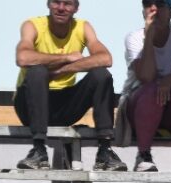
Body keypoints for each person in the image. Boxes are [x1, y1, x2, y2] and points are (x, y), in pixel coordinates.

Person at [12, 0, 126, 171]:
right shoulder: (32, 25)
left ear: (76, 8)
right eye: (56, 2)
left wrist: (60, 71)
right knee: (38, 72)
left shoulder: (82, 27)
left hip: (64, 107)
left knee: (101, 75)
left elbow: (105, 59)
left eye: (67, 4)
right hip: (29, 106)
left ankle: (105, 151)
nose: (61, 8)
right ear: (48, 4)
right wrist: (66, 57)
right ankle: (38, 150)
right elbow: (22, 58)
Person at [122, 0, 171, 172]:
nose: (153, 8)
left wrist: (169, 80)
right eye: (148, 4)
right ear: (143, 12)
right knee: (151, 89)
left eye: (159, 4)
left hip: (169, 109)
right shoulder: (134, 37)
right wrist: (149, 37)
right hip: (139, 109)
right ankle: (143, 155)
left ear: (170, 12)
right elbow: (146, 77)